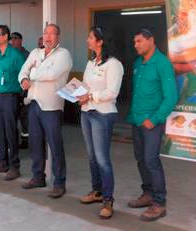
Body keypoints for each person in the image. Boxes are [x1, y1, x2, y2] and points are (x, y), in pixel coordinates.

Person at [127, 28, 178, 222]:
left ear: (151, 40)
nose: (136, 45)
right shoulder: (138, 63)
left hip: (151, 123)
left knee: (151, 161)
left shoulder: (162, 63)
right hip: (136, 120)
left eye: (139, 41)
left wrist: (155, 119)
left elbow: (170, 96)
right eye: (134, 42)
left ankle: (159, 203)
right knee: (140, 159)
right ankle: (147, 194)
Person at [18, 24, 72, 198]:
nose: (48, 37)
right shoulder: (35, 53)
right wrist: (25, 78)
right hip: (34, 103)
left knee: (55, 145)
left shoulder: (64, 55)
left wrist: (32, 73)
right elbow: (22, 71)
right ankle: (38, 176)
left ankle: (59, 182)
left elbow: (51, 75)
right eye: (45, 33)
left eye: (52, 33)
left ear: (58, 37)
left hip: (52, 106)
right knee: (35, 143)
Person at [77, 26, 124, 219]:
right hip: (86, 112)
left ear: (100, 41)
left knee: (102, 158)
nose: (87, 40)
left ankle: (108, 200)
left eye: (90, 37)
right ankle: (96, 191)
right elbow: (86, 86)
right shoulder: (91, 63)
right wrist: (78, 93)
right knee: (91, 156)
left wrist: (91, 95)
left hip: (103, 114)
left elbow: (113, 92)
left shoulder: (114, 64)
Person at [0, 25, 25, 181]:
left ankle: (15, 166)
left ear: (5, 37)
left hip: (11, 97)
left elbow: (25, 75)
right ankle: (2, 162)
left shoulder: (15, 55)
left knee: (10, 131)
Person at [10, 32, 30, 149]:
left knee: (24, 117)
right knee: (12, 117)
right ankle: (14, 140)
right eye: (11, 39)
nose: (12, 41)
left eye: (15, 39)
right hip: (12, 90)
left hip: (23, 91)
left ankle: (25, 140)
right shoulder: (9, 54)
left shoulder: (26, 55)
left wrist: (25, 92)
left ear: (21, 40)